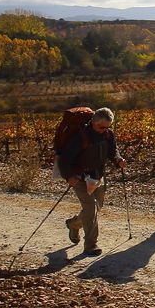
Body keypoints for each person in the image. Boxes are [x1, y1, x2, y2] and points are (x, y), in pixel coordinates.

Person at [60, 106, 125, 257]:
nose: (104, 130)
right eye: (102, 127)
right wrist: (68, 176)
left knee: (96, 208)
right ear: (94, 122)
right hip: (80, 178)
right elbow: (65, 159)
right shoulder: (80, 137)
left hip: (97, 176)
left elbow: (112, 150)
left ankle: (73, 224)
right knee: (91, 209)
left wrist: (118, 159)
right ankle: (91, 245)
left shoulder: (107, 134)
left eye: (107, 127)